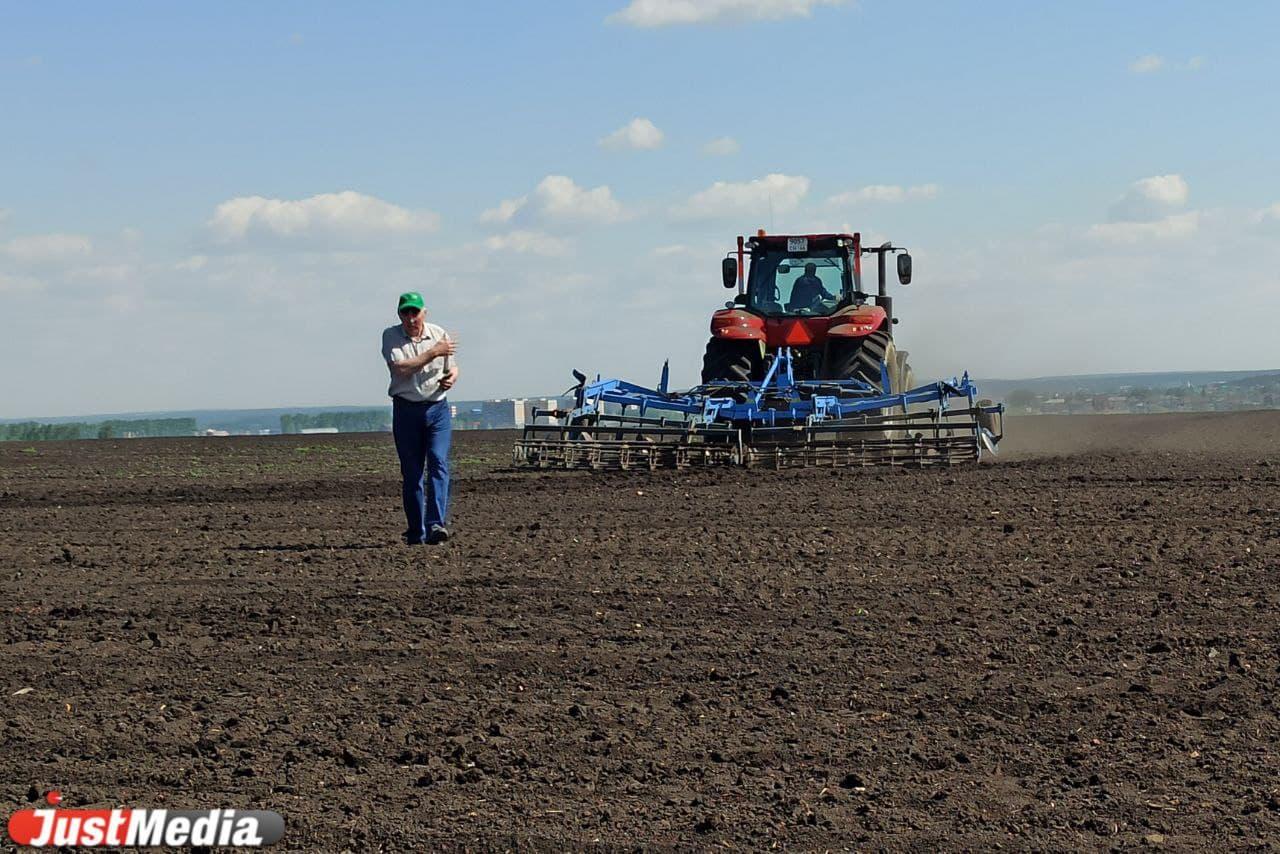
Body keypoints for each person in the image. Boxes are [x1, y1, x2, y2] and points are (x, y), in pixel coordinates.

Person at [382, 292, 459, 545]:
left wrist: (451, 378)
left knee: (438, 462)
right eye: (405, 312)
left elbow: (452, 366)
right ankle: (417, 531)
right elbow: (401, 369)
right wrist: (434, 352)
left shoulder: (439, 334)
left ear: (424, 313)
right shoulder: (391, 337)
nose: (410, 317)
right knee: (412, 472)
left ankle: (436, 524)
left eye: (415, 312)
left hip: (437, 409)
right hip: (407, 411)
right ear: (399, 314)